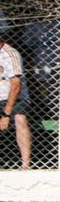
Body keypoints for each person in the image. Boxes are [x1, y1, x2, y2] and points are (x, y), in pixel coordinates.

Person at [0, 28, 32, 170]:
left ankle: (25, 164)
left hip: (13, 97)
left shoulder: (10, 54)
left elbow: (16, 86)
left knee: (20, 118)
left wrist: (6, 114)